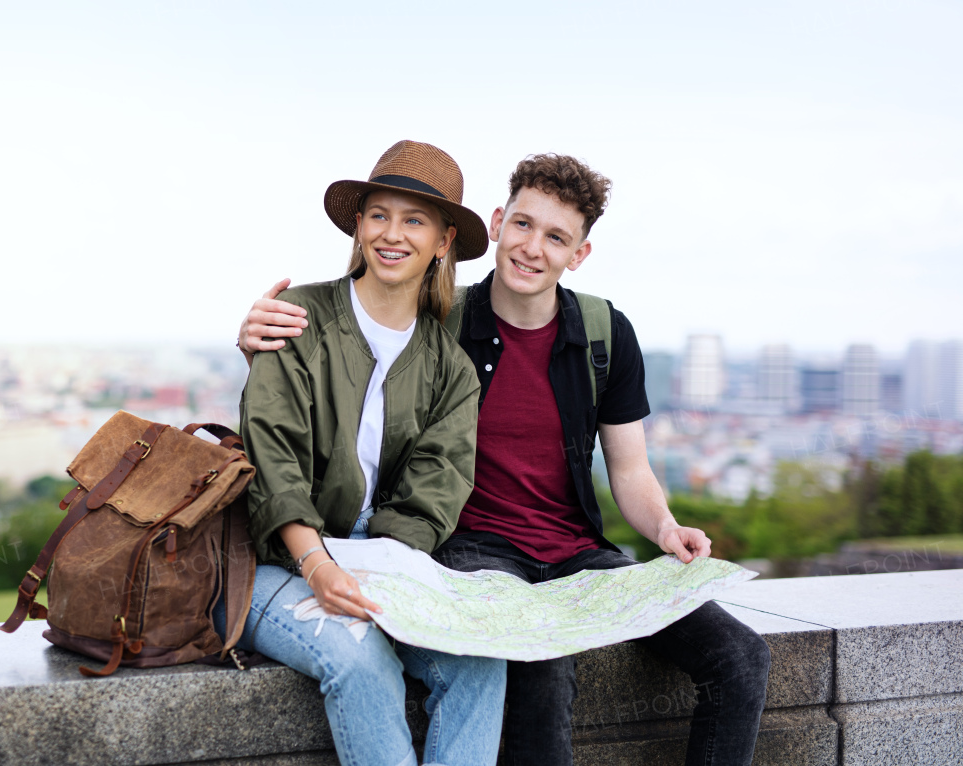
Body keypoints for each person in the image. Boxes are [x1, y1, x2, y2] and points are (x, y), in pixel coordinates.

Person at [237, 153, 772, 766]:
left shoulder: (603, 333)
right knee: (539, 672)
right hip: (475, 549)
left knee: (741, 658)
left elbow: (629, 468)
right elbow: (353, 346)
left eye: (556, 237)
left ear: (579, 254)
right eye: (522, 225)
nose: (531, 248)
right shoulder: (441, 320)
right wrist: (254, 339)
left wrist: (665, 527)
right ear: (495, 224)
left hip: (575, 552)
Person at [223, 140, 507, 766]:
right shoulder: (297, 318)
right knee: (360, 658)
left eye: (414, 221)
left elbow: (434, 493)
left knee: (481, 663)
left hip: (378, 568)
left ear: (442, 243)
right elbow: (273, 458)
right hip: (270, 561)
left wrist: (386, 580)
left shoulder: (451, 369)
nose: (391, 234)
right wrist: (319, 565)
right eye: (378, 214)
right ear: (357, 225)